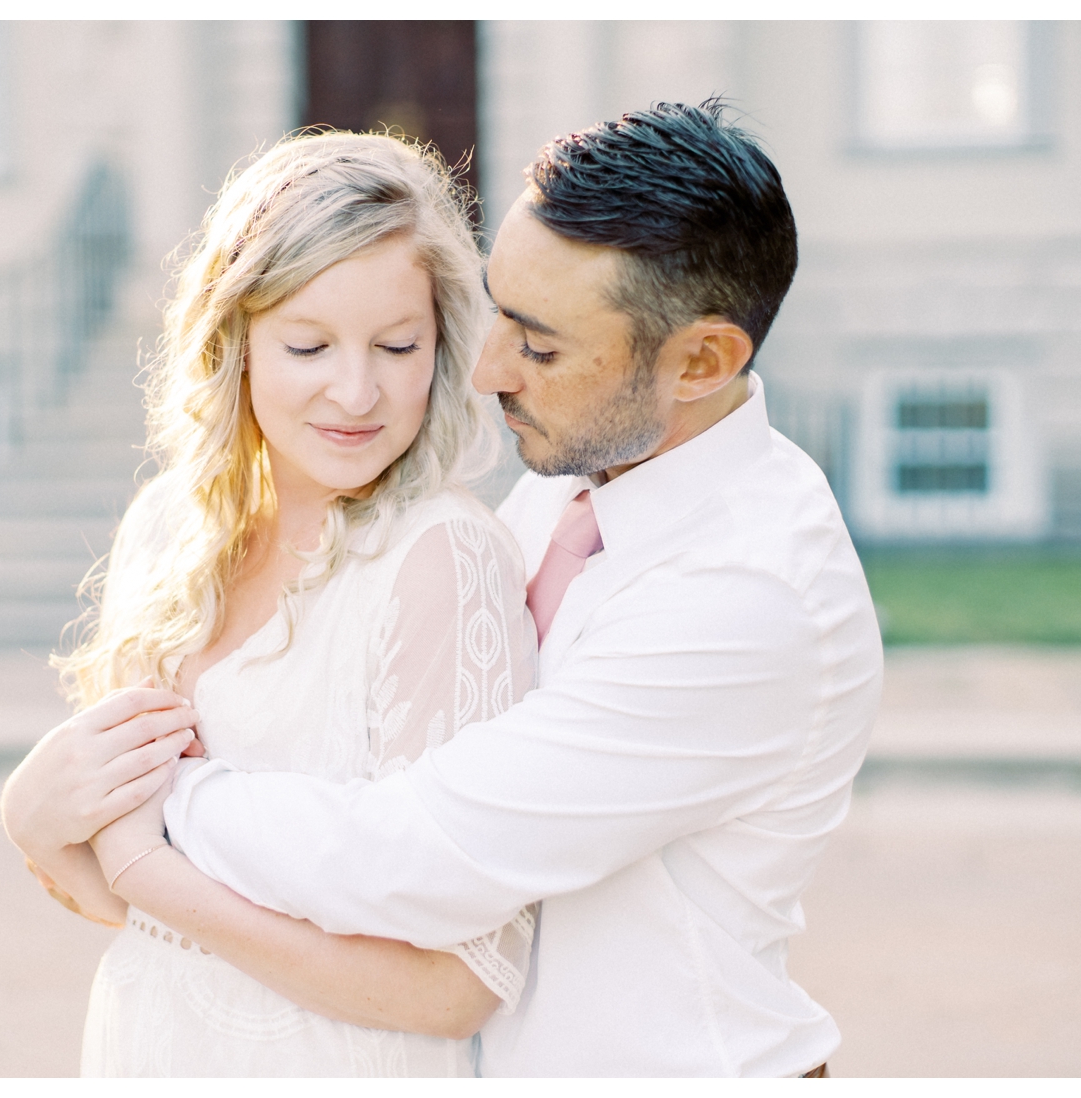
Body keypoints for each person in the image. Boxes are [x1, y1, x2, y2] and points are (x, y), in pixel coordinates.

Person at [137, 102, 885, 1076]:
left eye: (538, 346)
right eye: (497, 311)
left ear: (700, 362)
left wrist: (151, 805)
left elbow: (423, 855)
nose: (485, 369)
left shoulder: (747, 599)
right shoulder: (576, 482)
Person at [0, 130, 540, 1077]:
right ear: (235, 344)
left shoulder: (440, 560)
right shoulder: (172, 529)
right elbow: (133, 912)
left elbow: (458, 986)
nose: (356, 390)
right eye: (307, 344)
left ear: (442, 346)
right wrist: (33, 822)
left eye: (397, 345)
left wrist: (141, 868)